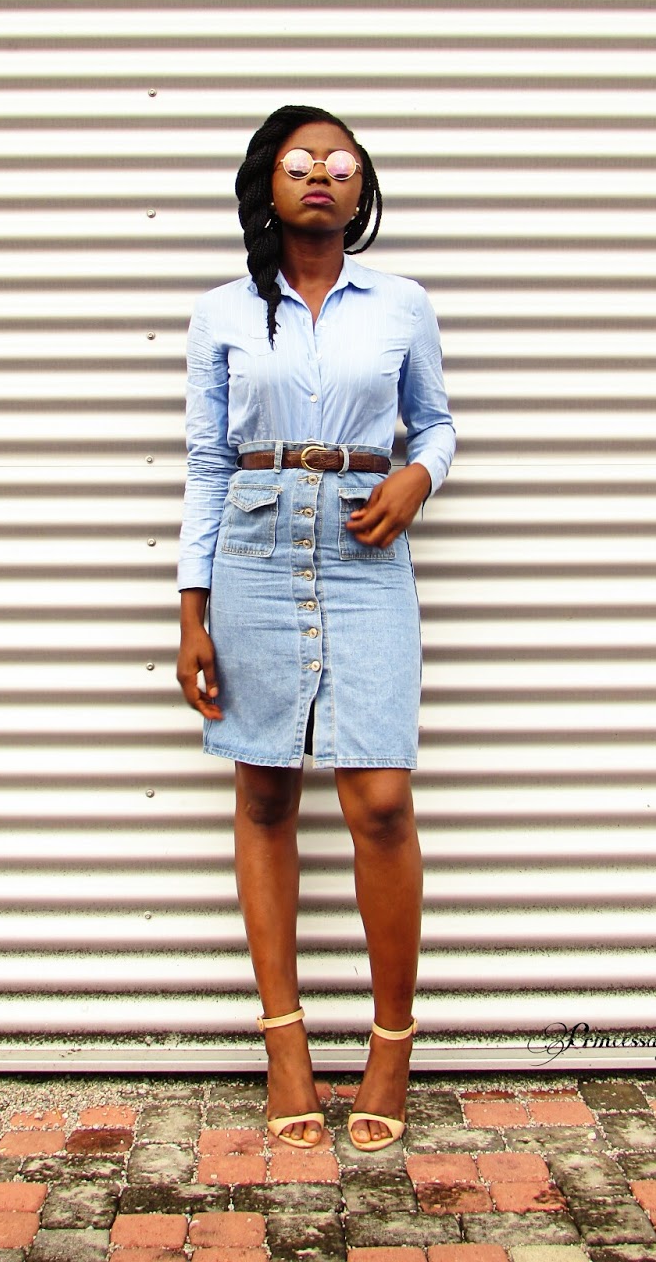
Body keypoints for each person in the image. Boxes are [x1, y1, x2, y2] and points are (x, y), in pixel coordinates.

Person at [175, 104, 455, 1152]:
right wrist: (192, 609)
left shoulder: (402, 304)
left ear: (362, 185)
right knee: (265, 790)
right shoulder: (222, 313)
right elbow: (207, 460)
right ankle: (284, 1045)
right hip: (252, 547)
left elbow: (437, 422)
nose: (322, 175)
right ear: (269, 183)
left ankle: (391, 1045)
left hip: (365, 545)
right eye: (301, 161)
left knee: (379, 798)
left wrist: (419, 476)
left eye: (341, 161)